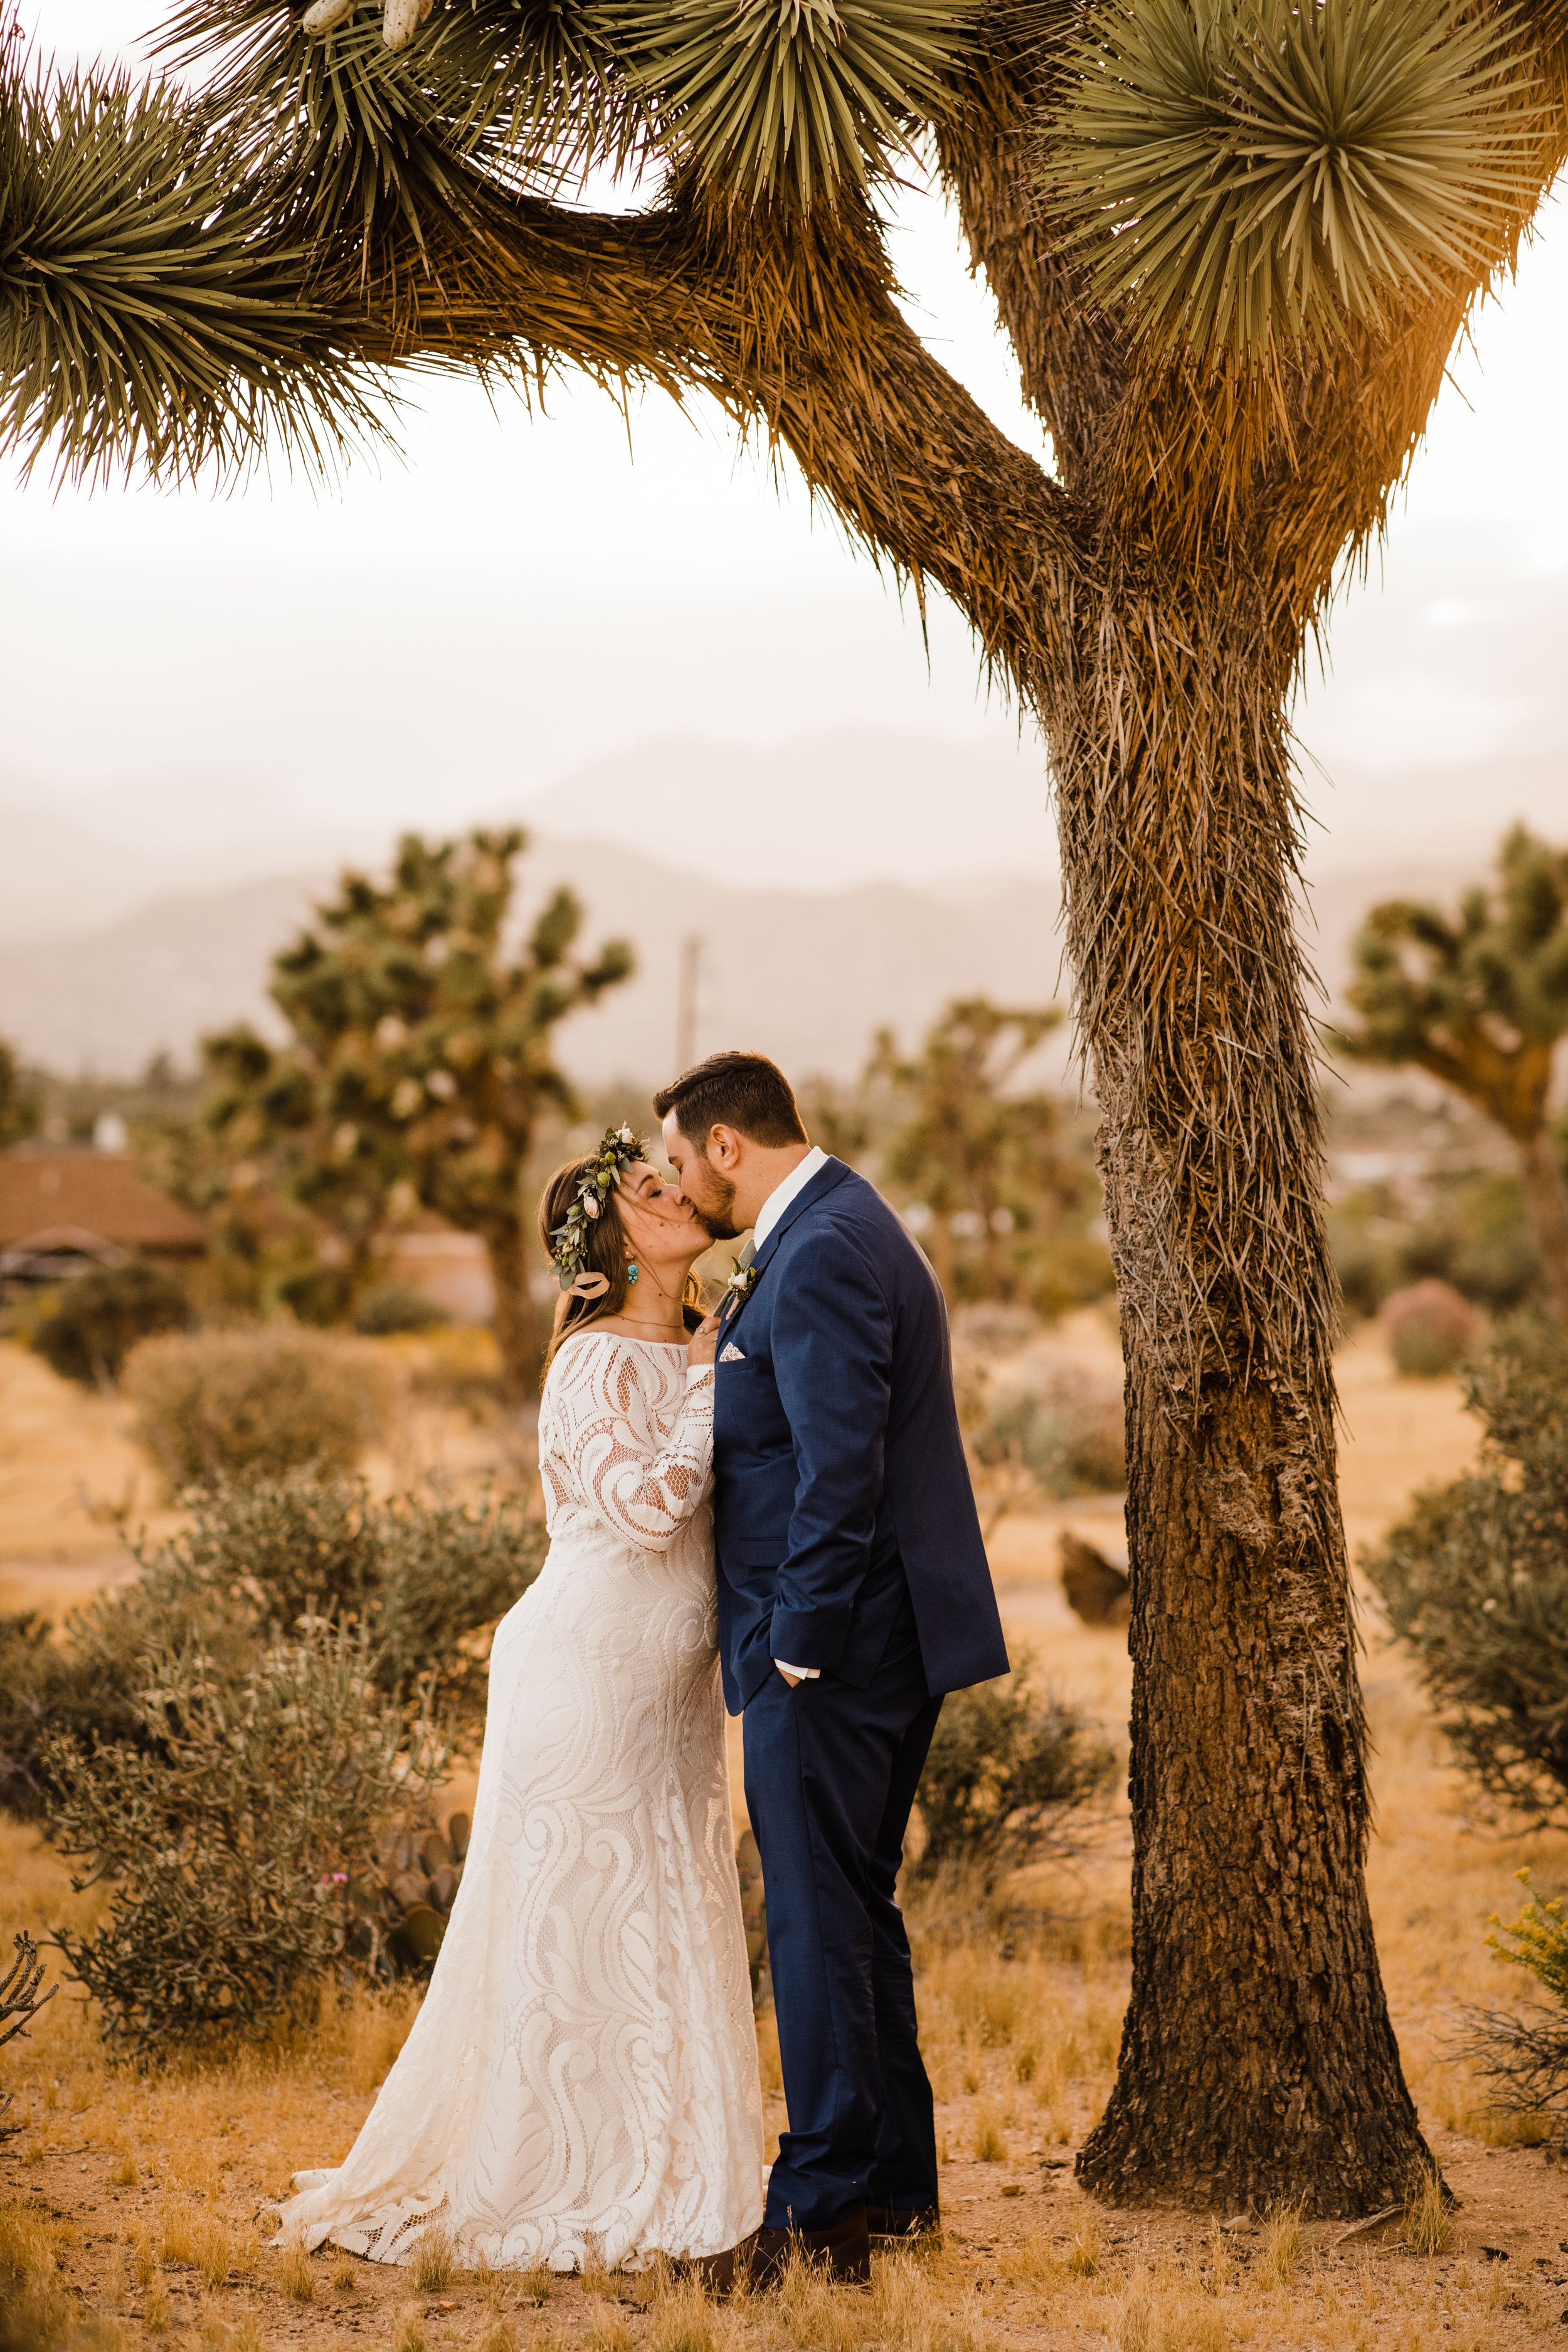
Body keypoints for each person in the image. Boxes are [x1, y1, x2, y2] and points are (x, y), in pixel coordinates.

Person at [272, 1126, 764, 2277]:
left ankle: (658, 2156)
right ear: (616, 1232)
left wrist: (712, 1365)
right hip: (584, 1674)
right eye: (650, 1187)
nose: (678, 1191)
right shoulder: (596, 1361)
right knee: (570, 1922)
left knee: (654, 1911)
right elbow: (647, 1512)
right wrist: (701, 1392)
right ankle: (552, 2172)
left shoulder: (708, 1337)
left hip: (668, 1688)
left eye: (675, 1176)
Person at [655, 1051, 1010, 2287]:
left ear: (724, 1150)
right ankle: (894, 2189)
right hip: (874, 1641)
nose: (676, 1185)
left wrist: (794, 1643)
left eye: (678, 1160)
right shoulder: (833, 1226)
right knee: (853, 1911)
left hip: (834, 1651)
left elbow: (837, 1469)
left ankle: (814, 2219)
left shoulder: (820, 1252)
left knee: (812, 1923)